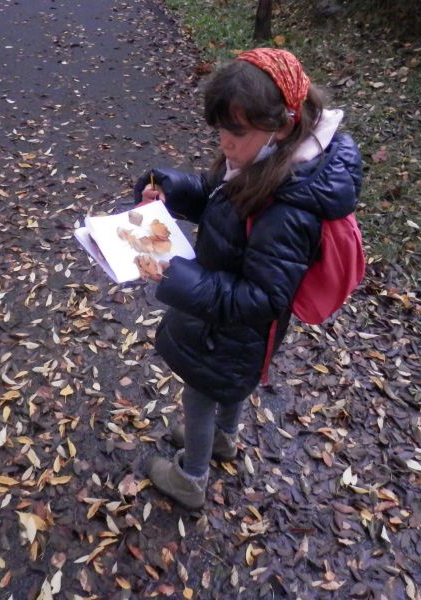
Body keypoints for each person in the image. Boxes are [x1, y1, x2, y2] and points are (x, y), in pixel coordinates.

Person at [134, 48, 363, 509]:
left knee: (200, 395)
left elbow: (262, 297)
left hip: (231, 326)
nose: (223, 142)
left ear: (282, 125)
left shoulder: (289, 206)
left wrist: (181, 278)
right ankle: (223, 439)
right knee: (227, 387)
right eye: (219, 129)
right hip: (227, 324)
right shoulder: (262, 159)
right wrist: (173, 191)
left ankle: (191, 478)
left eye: (235, 132)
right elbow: (220, 199)